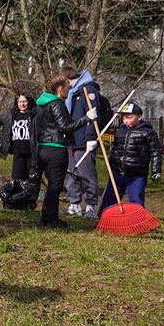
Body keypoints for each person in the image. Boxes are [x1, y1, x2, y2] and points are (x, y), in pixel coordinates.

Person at [29, 75, 97, 229]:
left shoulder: (41, 104)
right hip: (56, 150)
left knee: (52, 186)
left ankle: (46, 217)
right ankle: (51, 219)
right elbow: (64, 127)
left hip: (43, 149)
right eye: (67, 87)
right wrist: (86, 118)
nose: (69, 89)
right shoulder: (57, 104)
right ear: (60, 89)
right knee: (55, 185)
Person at [97, 103, 162, 217]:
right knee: (110, 196)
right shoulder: (120, 130)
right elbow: (116, 149)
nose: (126, 120)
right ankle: (103, 219)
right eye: (124, 117)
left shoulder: (148, 133)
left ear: (139, 117)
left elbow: (155, 152)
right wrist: (111, 163)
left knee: (136, 198)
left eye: (129, 117)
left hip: (137, 173)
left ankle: (138, 221)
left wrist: (156, 170)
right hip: (118, 171)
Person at [60, 66, 102, 219]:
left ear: (67, 80)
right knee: (71, 174)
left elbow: (94, 117)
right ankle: (75, 203)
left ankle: (91, 206)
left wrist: (91, 138)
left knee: (87, 174)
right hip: (70, 139)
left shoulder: (88, 90)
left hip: (83, 141)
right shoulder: (72, 92)